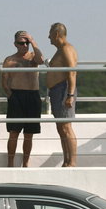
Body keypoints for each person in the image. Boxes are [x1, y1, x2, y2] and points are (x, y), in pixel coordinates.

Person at [1, 30, 45, 167]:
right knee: (13, 133)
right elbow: (4, 81)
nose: (25, 45)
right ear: (15, 44)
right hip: (16, 96)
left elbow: (41, 60)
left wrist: (33, 41)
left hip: (33, 95)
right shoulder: (9, 60)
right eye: (21, 43)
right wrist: (11, 95)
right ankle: (10, 164)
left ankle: (26, 163)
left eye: (27, 43)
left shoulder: (33, 57)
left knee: (29, 134)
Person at [45, 23, 79, 167]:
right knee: (61, 128)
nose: (48, 37)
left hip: (64, 90)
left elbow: (72, 72)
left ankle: (72, 162)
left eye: (50, 34)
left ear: (57, 34)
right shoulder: (60, 50)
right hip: (57, 91)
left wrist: (70, 95)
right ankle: (66, 160)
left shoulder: (66, 48)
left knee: (66, 127)